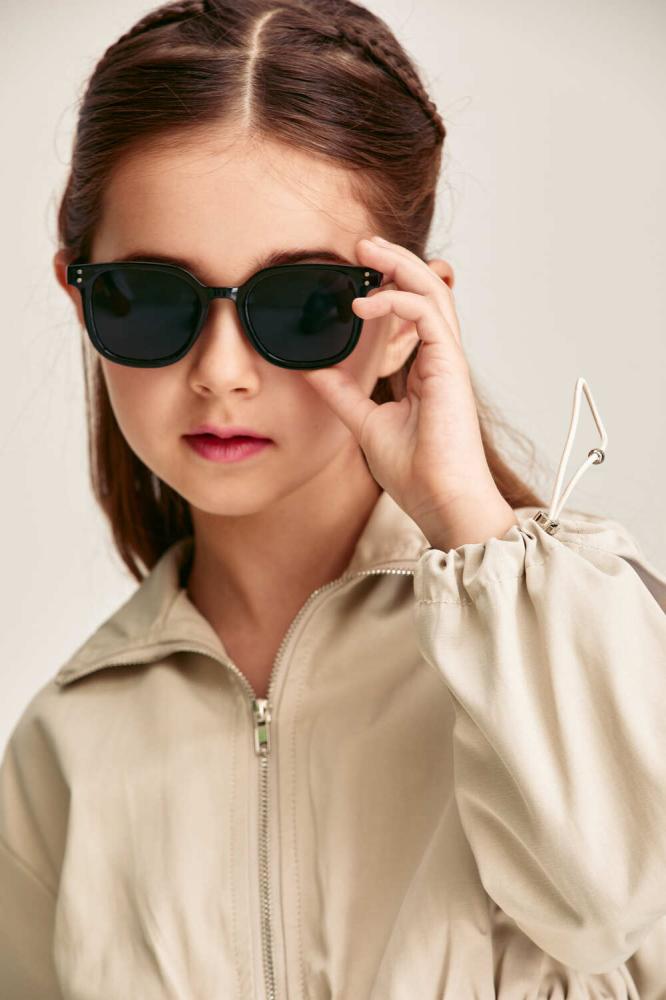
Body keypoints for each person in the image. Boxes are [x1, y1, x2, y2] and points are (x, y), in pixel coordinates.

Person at [2, 0, 665, 996]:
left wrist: (473, 530)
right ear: (80, 296)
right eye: (152, 298)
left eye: (303, 303)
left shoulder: (573, 641)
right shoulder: (63, 750)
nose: (221, 372)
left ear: (403, 318)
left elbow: (613, 903)